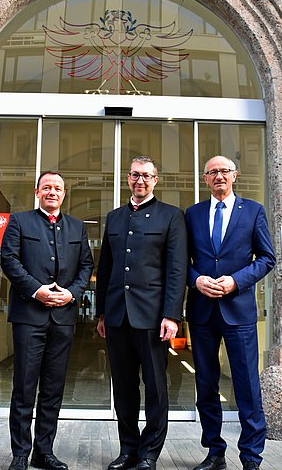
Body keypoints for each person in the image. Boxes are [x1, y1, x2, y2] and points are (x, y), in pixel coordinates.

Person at [96, 156, 188, 470]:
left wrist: (172, 315)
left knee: (156, 388)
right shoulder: (115, 217)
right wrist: (101, 314)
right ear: (128, 178)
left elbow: (176, 270)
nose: (140, 181)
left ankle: (149, 453)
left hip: (153, 318)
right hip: (117, 316)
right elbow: (105, 269)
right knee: (123, 387)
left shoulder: (172, 216)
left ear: (156, 180)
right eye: (135, 175)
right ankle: (128, 450)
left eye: (146, 176)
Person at [185, 156, 276, 470]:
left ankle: (251, 456)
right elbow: (181, 261)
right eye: (213, 172)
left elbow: (266, 258)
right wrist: (195, 279)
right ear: (205, 178)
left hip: (239, 312)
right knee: (206, 385)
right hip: (202, 312)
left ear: (235, 175)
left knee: (247, 385)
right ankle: (214, 452)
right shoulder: (193, 214)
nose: (219, 176)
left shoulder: (253, 211)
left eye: (224, 171)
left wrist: (236, 281)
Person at [1, 171, 94, 470]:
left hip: (63, 317)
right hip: (30, 315)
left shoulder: (77, 227)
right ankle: (20, 453)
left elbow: (86, 266)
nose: (52, 192)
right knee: (24, 386)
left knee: (53, 387)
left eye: (57, 188)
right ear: (37, 191)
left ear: (64, 194)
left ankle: (44, 451)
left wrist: (72, 294)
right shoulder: (19, 221)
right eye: (47, 187)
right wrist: (36, 290)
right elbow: (9, 261)